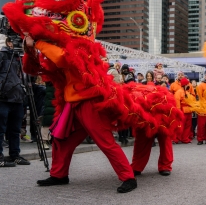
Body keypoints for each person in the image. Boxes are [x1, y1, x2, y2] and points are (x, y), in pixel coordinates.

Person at [25, 36, 136, 193]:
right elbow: (42, 69)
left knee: (105, 141)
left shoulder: (81, 46)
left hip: (90, 102)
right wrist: (31, 49)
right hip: (73, 103)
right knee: (62, 140)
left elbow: (62, 58)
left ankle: (128, 177)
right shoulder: (61, 45)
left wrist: (37, 42)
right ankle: (59, 175)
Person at [0, 37, 30, 167]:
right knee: (0, 129)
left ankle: (15, 155)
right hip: (3, 97)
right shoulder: (3, 55)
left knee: (15, 130)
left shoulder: (23, 57)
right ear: (9, 42)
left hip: (18, 98)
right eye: (16, 41)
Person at [174, 78, 193, 144]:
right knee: (180, 126)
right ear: (185, 85)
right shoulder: (178, 92)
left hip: (188, 111)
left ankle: (185, 138)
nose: (189, 85)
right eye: (188, 84)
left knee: (188, 126)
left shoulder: (187, 92)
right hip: (182, 112)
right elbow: (177, 102)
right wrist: (179, 112)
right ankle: (177, 138)